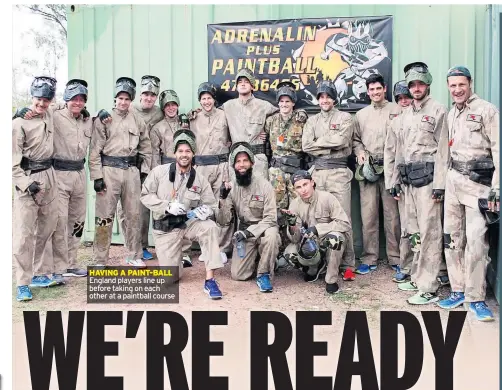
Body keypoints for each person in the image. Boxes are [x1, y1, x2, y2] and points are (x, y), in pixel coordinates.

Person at [436, 66, 499, 321]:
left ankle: (476, 298)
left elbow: (498, 149)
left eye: (461, 84)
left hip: (479, 185)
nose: (457, 90)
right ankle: (458, 290)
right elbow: (445, 153)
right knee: (452, 239)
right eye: (452, 86)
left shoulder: (486, 110)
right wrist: (440, 185)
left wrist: (497, 188)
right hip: (453, 182)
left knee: (476, 242)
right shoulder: (452, 114)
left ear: (470, 83)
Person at [140, 129, 224, 299]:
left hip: (187, 223)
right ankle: (175, 260)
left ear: (193, 154)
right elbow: (145, 196)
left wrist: (207, 210)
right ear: (174, 153)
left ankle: (210, 281)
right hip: (166, 228)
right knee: (170, 278)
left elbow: (212, 205)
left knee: (210, 227)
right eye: (180, 151)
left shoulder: (199, 178)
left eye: (188, 151)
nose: (184, 155)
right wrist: (166, 206)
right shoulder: (159, 172)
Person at [393, 62, 449, 305]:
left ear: (428, 84)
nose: (416, 88)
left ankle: (429, 287)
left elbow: (444, 151)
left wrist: (440, 184)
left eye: (420, 84)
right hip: (408, 181)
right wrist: (395, 179)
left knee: (430, 233)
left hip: (428, 180)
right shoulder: (405, 115)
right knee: (414, 232)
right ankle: (417, 277)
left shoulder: (438, 110)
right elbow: (399, 149)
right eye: (412, 84)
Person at [89, 77, 152, 269]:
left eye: (127, 99)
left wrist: (144, 171)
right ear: (115, 98)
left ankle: (134, 254)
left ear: (131, 100)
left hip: (131, 172)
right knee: (104, 217)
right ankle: (100, 259)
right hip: (109, 171)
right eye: (120, 98)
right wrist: (97, 177)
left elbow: (146, 147)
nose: (123, 102)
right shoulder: (105, 119)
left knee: (133, 215)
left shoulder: (137, 120)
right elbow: (94, 151)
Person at [302, 80, 357, 282]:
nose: (324, 100)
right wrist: (328, 146)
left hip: (339, 172)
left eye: (328, 96)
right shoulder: (312, 120)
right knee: (317, 217)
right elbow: (306, 145)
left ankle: (348, 264)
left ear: (334, 98)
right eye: (321, 97)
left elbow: (342, 141)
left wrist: (321, 145)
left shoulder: (345, 118)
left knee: (343, 218)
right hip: (318, 173)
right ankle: (320, 261)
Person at [12, 76, 60, 301]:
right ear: (32, 97)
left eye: (46, 100)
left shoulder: (50, 113)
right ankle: (22, 283)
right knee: (24, 233)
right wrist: (25, 184)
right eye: (39, 99)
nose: (42, 104)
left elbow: (68, 105)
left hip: (49, 176)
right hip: (27, 178)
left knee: (47, 227)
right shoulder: (19, 122)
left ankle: (39, 274)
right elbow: (10, 162)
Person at [352, 74, 401, 275]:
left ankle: (396, 257)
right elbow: (355, 140)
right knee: (368, 215)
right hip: (369, 170)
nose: (375, 93)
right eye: (371, 90)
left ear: (384, 88)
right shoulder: (361, 115)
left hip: (390, 168)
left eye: (378, 89)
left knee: (393, 216)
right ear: (368, 91)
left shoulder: (397, 110)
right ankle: (369, 257)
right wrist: (360, 153)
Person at [217, 142, 280, 292]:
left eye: (245, 160)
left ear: (252, 162)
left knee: (271, 236)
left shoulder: (265, 186)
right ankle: (261, 258)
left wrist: (250, 232)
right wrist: (223, 198)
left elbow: (271, 218)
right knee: (238, 275)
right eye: (238, 161)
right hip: (245, 234)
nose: (242, 165)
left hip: (264, 229)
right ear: (233, 165)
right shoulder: (231, 188)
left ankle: (263, 274)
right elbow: (223, 221)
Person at [117, 75, 164, 261]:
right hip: (131, 166)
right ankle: (133, 246)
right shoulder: (128, 108)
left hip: (152, 166)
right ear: (139, 95)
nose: (149, 98)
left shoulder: (159, 112)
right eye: (146, 94)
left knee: (149, 209)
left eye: (153, 95)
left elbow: (172, 116)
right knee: (130, 211)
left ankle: (148, 245)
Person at [282, 170, 351, 293]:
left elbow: (344, 224)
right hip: (309, 246)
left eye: (305, 184)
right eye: (298, 187)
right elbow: (295, 240)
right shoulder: (294, 205)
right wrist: (292, 226)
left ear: (312, 182)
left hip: (326, 243)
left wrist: (318, 229)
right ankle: (313, 268)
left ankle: (331, 279)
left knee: (336, 238)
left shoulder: (327, 198)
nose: (303, 190)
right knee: (289, 253)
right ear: (295, 190)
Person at [188, 82, 233, 262]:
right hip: (201, 167)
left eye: (209, 98)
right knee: (202, 207)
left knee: (222, 206)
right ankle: (206, 247)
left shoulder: (224, 115)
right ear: (199, 101)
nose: (207, 101)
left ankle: (221, 247)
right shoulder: (193, 118)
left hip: (222, 165)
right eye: (203, 98)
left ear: (214, 99)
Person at [264, 81, 308, 257]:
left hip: (295, 171)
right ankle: (279, 250)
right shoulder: (270, 121)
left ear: (293, 103)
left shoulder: (301, 120)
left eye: (287, 101)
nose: (284, 104)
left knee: (298, 209)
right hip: (276, 172)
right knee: (278, 210)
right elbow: (265, 140)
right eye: (281, 101)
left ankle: (298, 248)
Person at [150, 89, 193, 266]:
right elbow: (153, 153)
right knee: (168, 208)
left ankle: (185, 252)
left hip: (186, 168)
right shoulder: (158, 128)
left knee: (186, 205)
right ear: (163, 107)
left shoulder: (186, 124)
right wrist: (157, 175)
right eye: (167, 105)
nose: (171, 108)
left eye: (174, 104)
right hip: (167, 169)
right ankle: (169, 249)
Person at [220, 68, 279, 179]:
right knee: (237, 193)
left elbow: (283, 112)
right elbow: (212, 114)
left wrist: (267, 131)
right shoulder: (228, 106)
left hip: (257, 158)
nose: (243, 84)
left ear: (252, 86)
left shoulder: (263, 105)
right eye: (240, 82)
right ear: (236, 86)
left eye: (246, 82)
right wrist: (195, 113)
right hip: (237, 159)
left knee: (260, 193)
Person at [384, 80, 414, 283]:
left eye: (406, 97)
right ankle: (406, 266)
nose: (404, 101)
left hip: (427, 181)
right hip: (404, 181)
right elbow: (390, 155)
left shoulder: (432, 115)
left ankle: (436, 269)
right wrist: (391, 182)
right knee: (406, 226)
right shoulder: (396, 123)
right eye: (400, 98)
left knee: (429, 227)